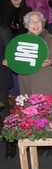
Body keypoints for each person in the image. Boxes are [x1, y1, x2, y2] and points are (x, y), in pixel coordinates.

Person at [3, 11, 52, 95]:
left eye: (38, 21)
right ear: (26, 25)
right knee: (31, 107)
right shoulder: (20, 42)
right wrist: (11, 63)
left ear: (43, 24)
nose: (35, 25)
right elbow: (18, 63)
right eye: (32, 22)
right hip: (27, 81)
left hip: (48, 83)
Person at [0, 25, 14, 158]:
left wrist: (8, 61)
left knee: (4, 114)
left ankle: (10, 142)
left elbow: (9, 55)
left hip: (1, 80)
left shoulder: (3, 31)